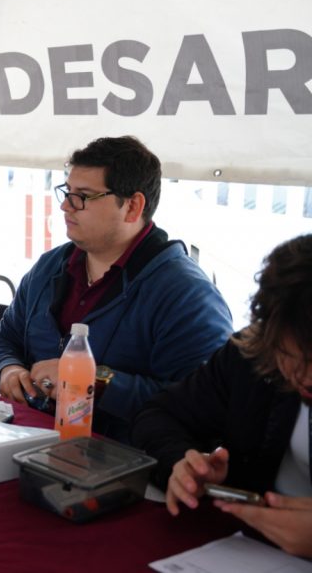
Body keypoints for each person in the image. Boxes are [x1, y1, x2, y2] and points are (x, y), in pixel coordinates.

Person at [0, 136, 233, 442]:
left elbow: (203, 407)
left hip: (126, 461)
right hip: (29, 440)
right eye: (67, 191)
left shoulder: (186, 295)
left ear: (132, 207)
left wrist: (95, 380)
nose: (65, 206)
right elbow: (4, 338)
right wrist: (8, 369)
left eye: (83, 196)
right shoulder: (50, 267)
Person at [132, 234, 312, 558]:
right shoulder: (252, 356)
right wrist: (185, 464)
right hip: (248, 549)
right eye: (290, 355)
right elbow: (160, 416)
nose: (305, 375)